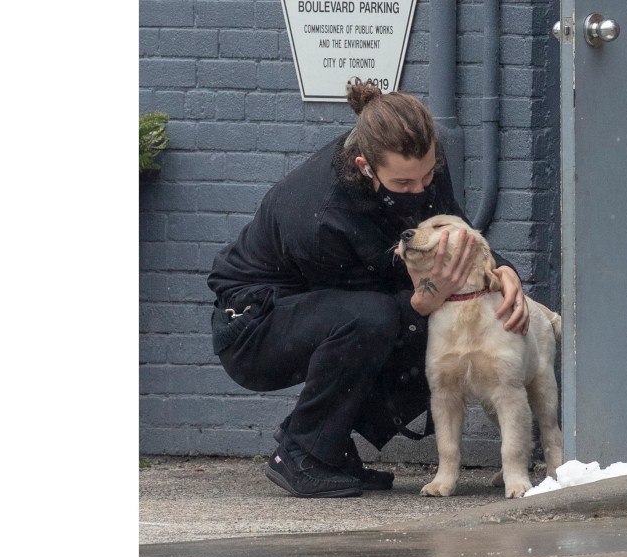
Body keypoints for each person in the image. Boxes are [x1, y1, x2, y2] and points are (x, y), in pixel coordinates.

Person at [207, 80, 530, 498]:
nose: (421, 191)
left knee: (434, 328)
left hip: (336, 309)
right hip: (254, 327)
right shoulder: (322, 218)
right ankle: (302, 452)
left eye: (429, 176)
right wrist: (424, 301)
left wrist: (502, 271)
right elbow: (368, 312)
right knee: (382, 321)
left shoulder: (418, 165)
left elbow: (453, 229)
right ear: (364, 166)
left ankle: (328, 440)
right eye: (404, 185)